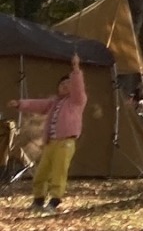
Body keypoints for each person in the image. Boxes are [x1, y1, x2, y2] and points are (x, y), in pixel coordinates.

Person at [9, 63, 87, 212]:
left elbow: (79, 88)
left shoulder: (76, 102)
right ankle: (38, 201)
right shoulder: (54, 103)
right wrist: (20, 104)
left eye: (68, 83)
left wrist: (76, 69)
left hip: (66, 142)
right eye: (61, 83)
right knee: (41, 172)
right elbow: (37, 104)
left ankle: (54, 201)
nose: (64, 85)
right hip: (51, 143)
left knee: (59, 171)